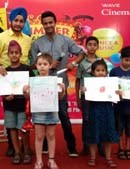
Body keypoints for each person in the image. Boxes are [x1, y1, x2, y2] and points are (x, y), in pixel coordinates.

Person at [30, 10, 84, 157]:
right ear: (42, 25)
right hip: (42, 86)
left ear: (55, 23)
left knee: (64, 116)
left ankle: (71, 147)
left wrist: (74, 63)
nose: (48, 25)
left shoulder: (65, 40)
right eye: (45, 23)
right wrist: (47, 64)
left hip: (60, 85)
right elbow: (32, 65)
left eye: (50, 22)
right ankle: (45, 146)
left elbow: (81, 53)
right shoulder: (37, 43)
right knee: (43, 117)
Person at [0, 7, 32, 156]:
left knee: (25, 114)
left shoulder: (28, 39)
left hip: (24, 81)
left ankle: (26, 148)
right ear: (10, 21)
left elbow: (31, 59)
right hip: (7, 78)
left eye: (21, 21)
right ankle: (12, 146)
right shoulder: (1, 37)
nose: (18, 24)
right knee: (10, 113)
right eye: (16, 20)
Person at [23, 53, 65, 169]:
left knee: (51, 135)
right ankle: (39, 161)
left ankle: (51, 160)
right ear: (36, 66)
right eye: (39, 64)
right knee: (39, 136)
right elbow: (28, 98)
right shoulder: (33, 81)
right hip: (38, 112)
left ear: (50, 65)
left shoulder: (55, 81)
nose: (42, 66)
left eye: (45, 64)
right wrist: (25, 92)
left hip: (52, 112)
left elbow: (60, 97)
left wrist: (62, 90)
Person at [80, 59, 119, 168]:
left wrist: (119, 93)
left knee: (108, 136)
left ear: (106, 72)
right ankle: (92, 157)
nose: (100, 72)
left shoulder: (111, 83)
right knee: (93, 135)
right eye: (98, 70)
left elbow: (117, 99)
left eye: (103, 70)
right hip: (94, 112)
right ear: (92, 72)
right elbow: (87, 101)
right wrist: (84, 92)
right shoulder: (90, 84)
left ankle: (108, 158)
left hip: (108, 112)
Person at [3, 40, 33, 164]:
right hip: (9, 105)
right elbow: (3, 89)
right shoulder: (5, 71)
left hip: (23, 105)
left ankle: (26, 151)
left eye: (16, 52)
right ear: (8, 55)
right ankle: (16, 152)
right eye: (11, 53)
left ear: (21, 54)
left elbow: (33, 86)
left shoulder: (27, 69)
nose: (14, 55)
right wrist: (5, 96)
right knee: (12, 129)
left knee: (24, 130)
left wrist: (28, 93)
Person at [109, 46, 130, 160]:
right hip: (118, 106)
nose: (128, 62)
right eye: (125, 59)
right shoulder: (114, 71)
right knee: (119, 128)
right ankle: (120, 148)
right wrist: (116, 95)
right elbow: (110, 89)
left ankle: (128, 148)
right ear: (121, 58)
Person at [75, 36, 100, 155]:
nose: (92, 47)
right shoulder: (81, 63)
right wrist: (78, 97)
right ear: (86, 47)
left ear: (97, 47)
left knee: (98, 120)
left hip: (99, 97)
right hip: (86, 97)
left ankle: (99, 145)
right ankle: (86, 146)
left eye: (94, 44)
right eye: (89, 44)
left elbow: (105, 79)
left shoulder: (101, 62)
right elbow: (78, 81)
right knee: (86, 121)